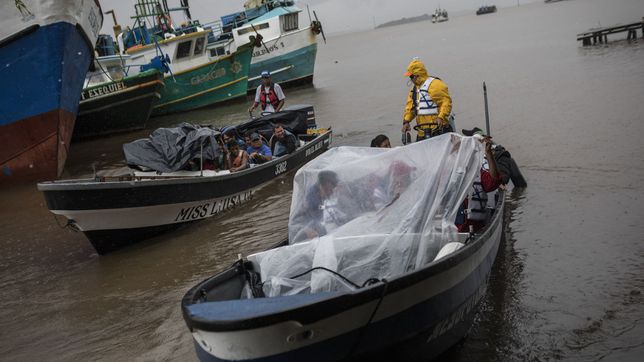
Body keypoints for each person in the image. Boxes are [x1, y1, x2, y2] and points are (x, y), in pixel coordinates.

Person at [455, 135, 502, 233]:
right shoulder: (451, 174)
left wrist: (489, 154)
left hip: (474, 228)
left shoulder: (479, 174)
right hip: (452, 229)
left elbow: (494, 182)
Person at [402, 58, 453, 141]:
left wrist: (441, 117)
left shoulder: (436, 85)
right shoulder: (414, 90)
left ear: (417, 75)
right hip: (422, 132)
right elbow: (410, 108)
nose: (410, 79)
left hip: (438, 131)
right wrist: (406, 122)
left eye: (411, 76)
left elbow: (446, 102)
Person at [462, 127, 527, 188]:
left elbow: (504, 179)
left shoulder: (501, 155)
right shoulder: (473, 154)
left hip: (490, 186)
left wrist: (490, 157)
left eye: (478, 141)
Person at [291, 170, 339, 242]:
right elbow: (294, 223)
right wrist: (306, 230)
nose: (329, 193)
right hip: (305, 235)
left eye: (331, 190)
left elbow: (320, 208)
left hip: (314, 229)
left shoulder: (319, 195)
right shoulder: (309, 200)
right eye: (326, 190)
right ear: (320, 186)